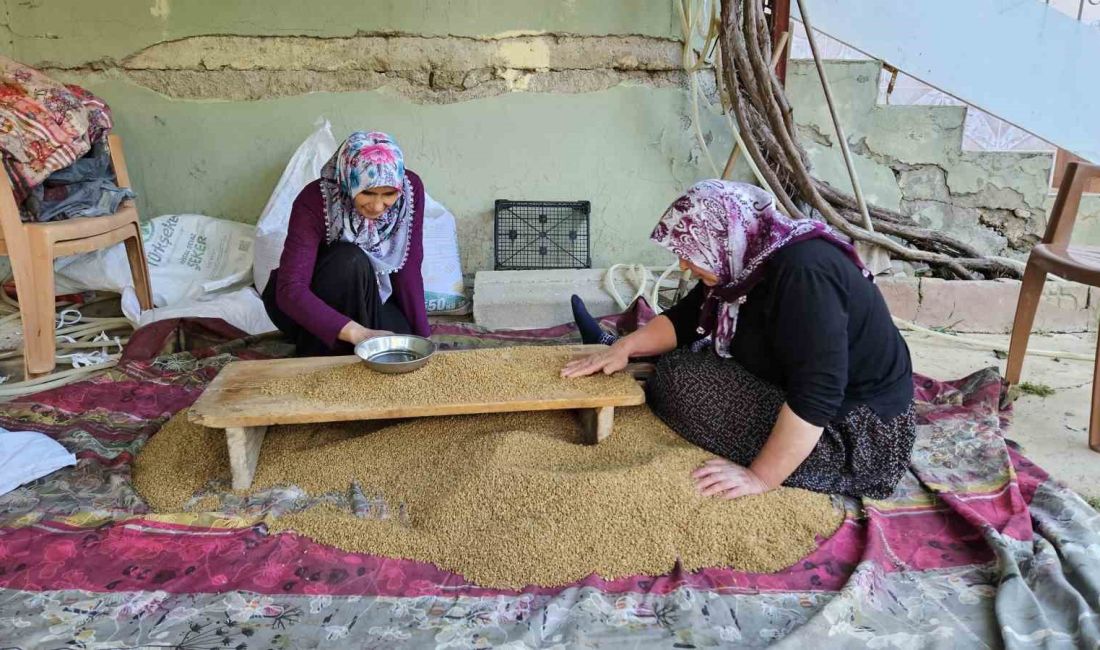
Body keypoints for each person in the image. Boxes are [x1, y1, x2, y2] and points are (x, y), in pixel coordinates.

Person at [563, 180, 915, 500]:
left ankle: (794, 463)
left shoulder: (804, 274)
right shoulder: (748, 257)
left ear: (723, 236)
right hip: (805, 391)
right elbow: (687, 318)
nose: (684, 265)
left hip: (854, 433)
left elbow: (819, 392)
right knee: (682, 364)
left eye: (691, 251)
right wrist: (623, 348)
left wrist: (759, 477)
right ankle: (626, 350)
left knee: (677, 383)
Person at [262, 131, 430, 356]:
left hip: (368, 293)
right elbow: (290, 290)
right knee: (349, 259)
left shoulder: (410, 191)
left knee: (400, 340)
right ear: (348, 181)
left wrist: (423, 338)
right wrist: (357, 333)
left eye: (388, 194)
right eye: (368, 193)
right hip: (310, 303)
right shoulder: (314, 200)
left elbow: (408, 268)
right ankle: (324, 348)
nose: (378, 206)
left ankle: (343, 344)